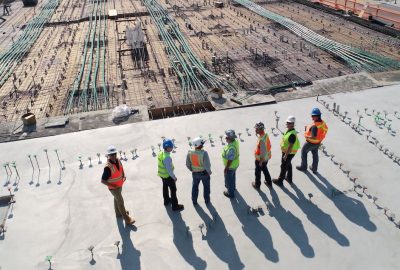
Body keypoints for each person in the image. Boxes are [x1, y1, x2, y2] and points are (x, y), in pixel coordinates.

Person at [101, 145, 135, 225]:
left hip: (120, 185)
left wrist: (123, 175)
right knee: (120, 201)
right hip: (114, 188)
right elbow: (103, 180)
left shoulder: (118, 160)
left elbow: (121, 168)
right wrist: (113, 186)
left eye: (114, 154)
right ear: (108, 155)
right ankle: (127, 219)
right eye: (111, 155)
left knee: (116, 199)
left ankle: (118, 213)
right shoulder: (107, 167)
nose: (113, 156)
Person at [296, 108, 328, 173]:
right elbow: (323, 131)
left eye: (313, 116)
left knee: (304, 152)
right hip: (318, 143)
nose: (312, 117)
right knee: (315, 155)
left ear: (317, 116)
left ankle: (303, 167)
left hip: (310, 143)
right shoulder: (322, 123)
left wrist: (307, 136)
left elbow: (313, 136)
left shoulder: (314, 126)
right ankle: (314, 168)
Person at [273, 116, 300, 186]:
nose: (287, 124)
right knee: (288, 164)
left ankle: (280, 180)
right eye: (287, 122)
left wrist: (286, 155)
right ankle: (289, 178)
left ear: (293, 124)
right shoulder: (289, 131)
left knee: (283, 166)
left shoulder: (292, 135)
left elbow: (290, 146)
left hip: (289, 153)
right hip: (288, 152)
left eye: (289, 123)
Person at [157, 139, 184, 211]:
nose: (172, 148)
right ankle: (175, 206)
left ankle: (166, 201)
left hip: (162, 175)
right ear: (168, 148)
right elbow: (169, 170)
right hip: (168, 176)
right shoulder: (167, 157)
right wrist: (174, 177)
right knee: (173, 190)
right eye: (172, 147)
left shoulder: (161, 153)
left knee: (165, 187)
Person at [186, 137, 212, 205]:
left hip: (195, 173)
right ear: (199, 145)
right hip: (204, 173)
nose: (203, 144)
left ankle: (194, 200)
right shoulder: (204, 153)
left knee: (195, 187)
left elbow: (187, 164)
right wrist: (209, 171)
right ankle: (207, 200)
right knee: (206, 187)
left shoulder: (190, 152)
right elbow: (207, 164)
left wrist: (191, 169)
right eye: (202, 143)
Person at [252, 122, 272, 189]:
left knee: (257, 172)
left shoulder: (262, 140)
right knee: (265, 169)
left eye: (256, 129)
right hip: (266, 158)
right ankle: (269, 182)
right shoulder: (265, 135)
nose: (255, 130)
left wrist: (260, 162)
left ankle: (257, 185)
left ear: (261, 129)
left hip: (261, 159)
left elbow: (262, 152)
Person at [222, 130, 240, 198]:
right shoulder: (235, 142)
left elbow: (230, 160)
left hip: (230, 166)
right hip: (235, 165)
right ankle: (233, 187)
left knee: (229, 180)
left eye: (226, 138)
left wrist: (226, 168)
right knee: (232, 177)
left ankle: (230, 193)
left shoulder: (231, 148)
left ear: (230, 138)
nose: (225, 139)